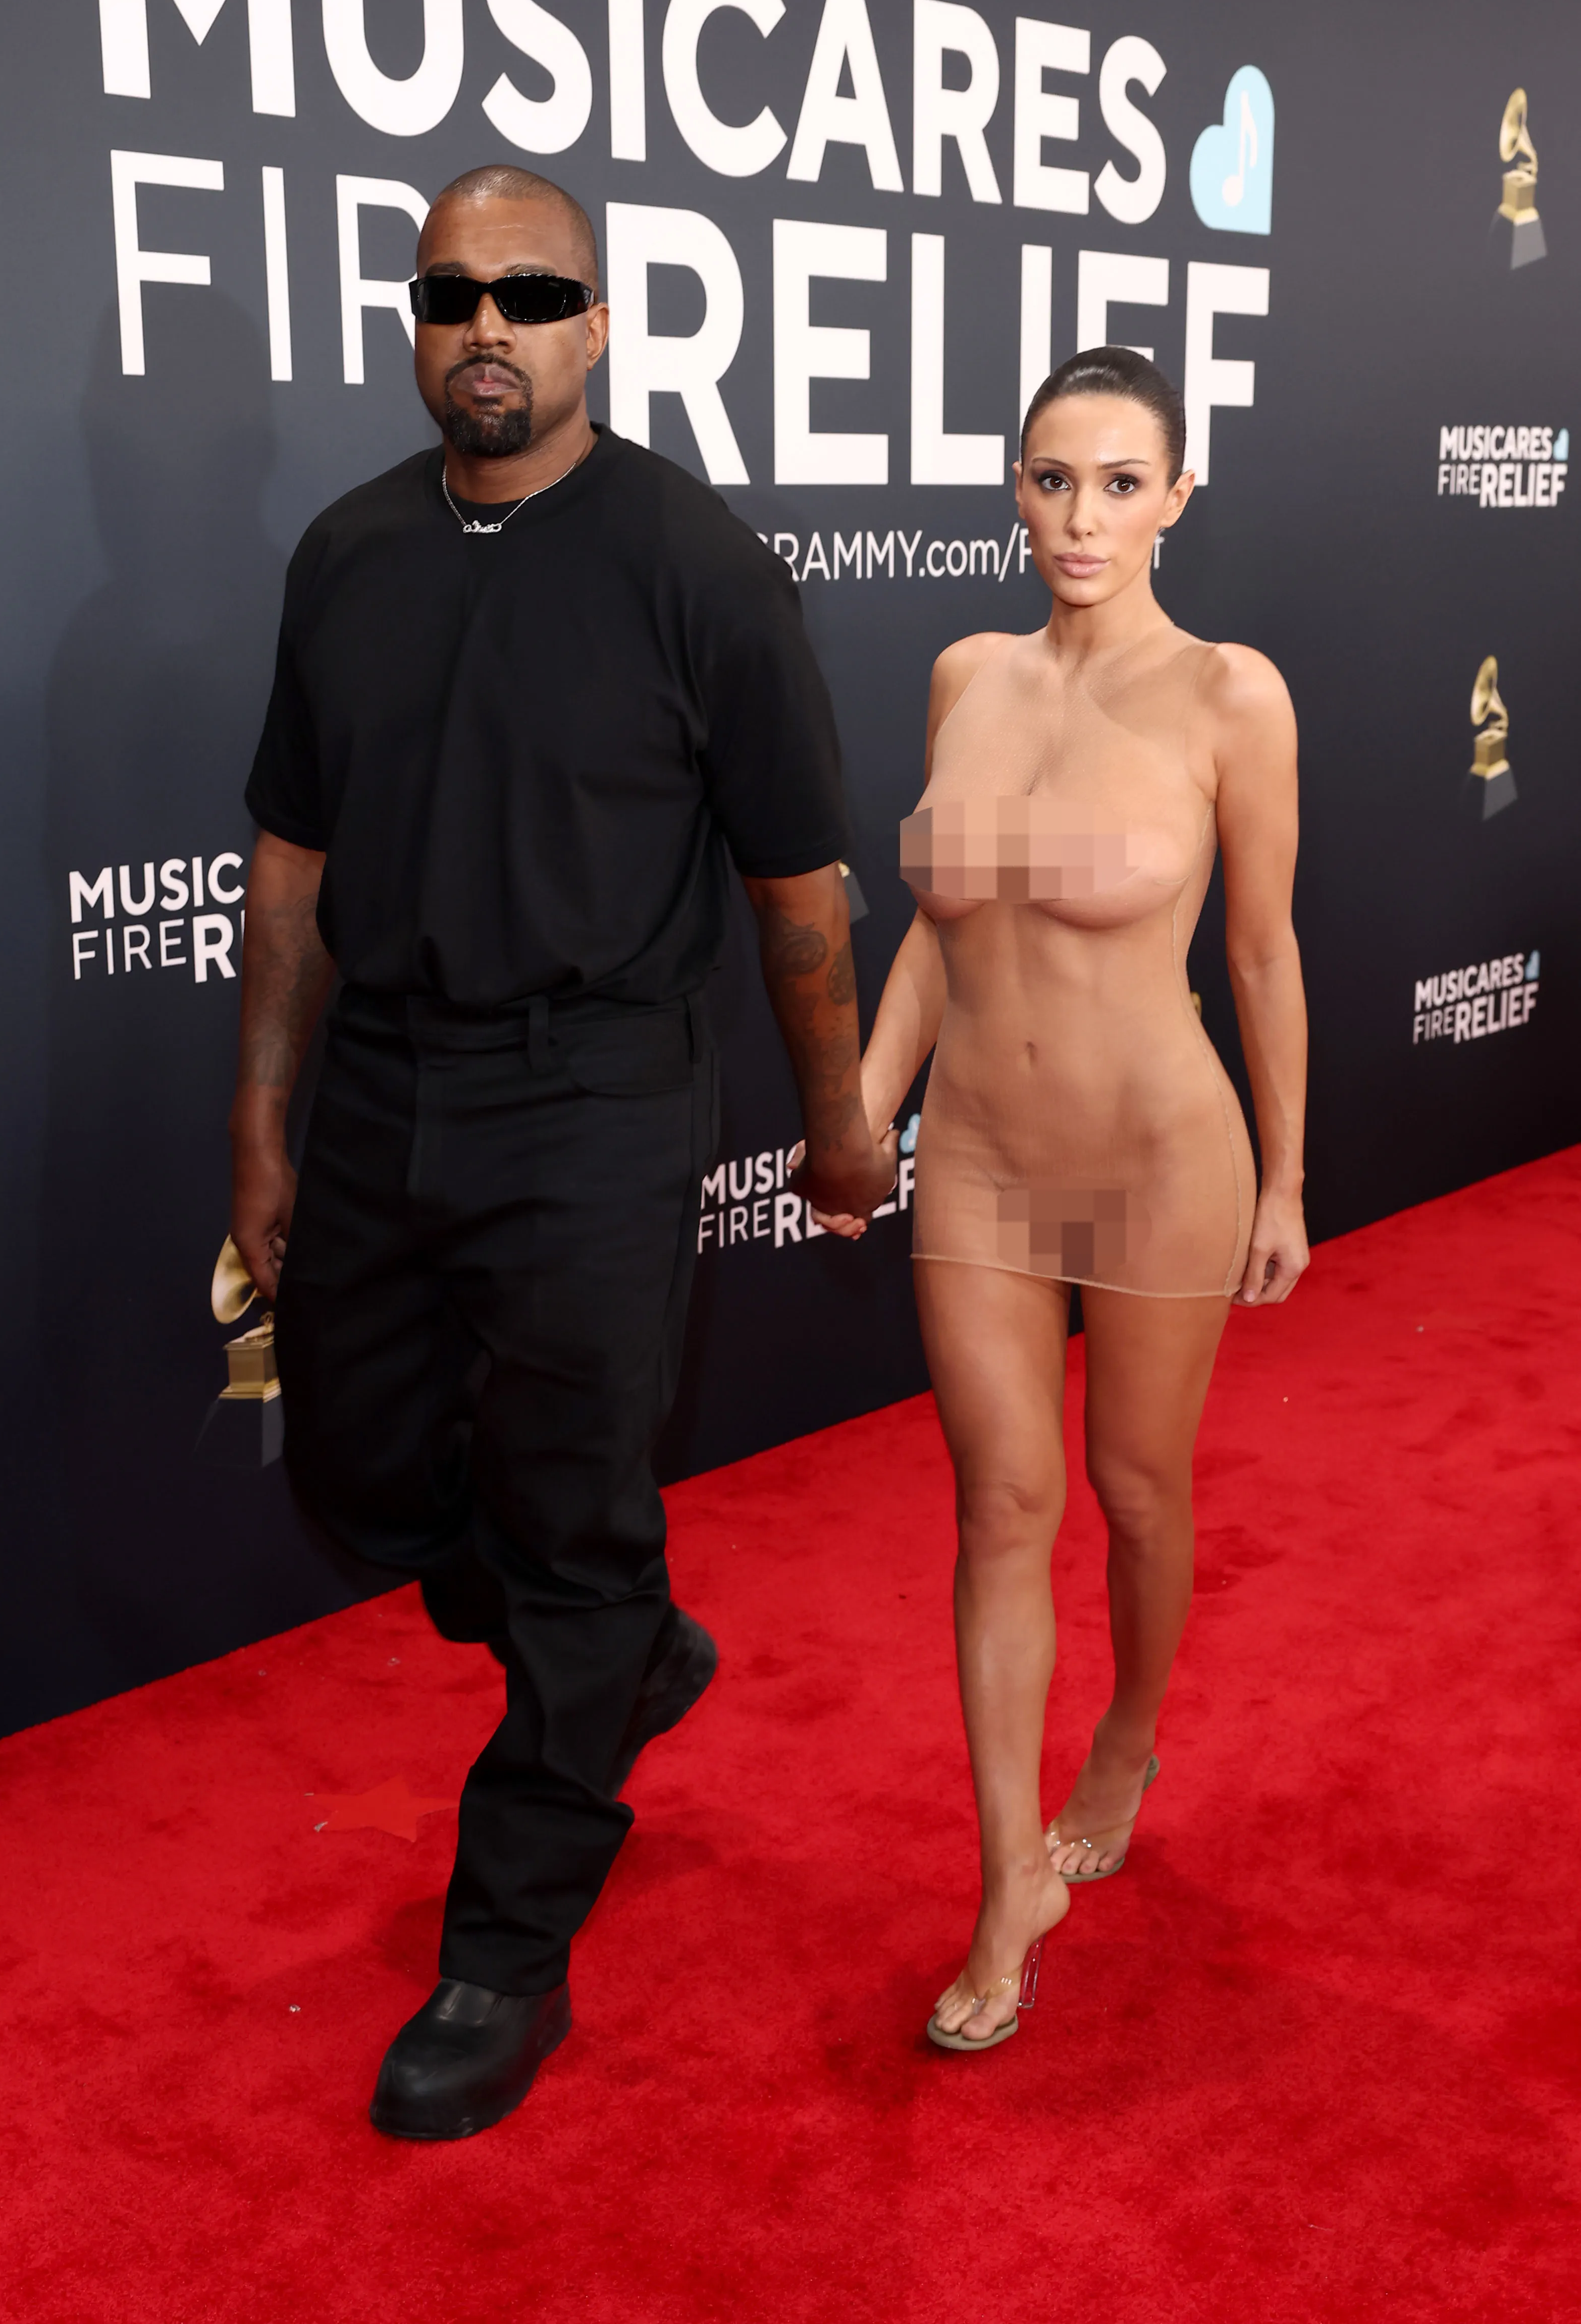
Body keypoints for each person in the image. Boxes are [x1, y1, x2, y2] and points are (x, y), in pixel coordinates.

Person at [229, 164, 897, 2137]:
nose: (488, 328)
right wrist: (259, 1116)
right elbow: (287, 868)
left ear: (597, 321)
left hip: (596, 1092)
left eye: (531, 293)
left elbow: (798, 886)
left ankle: (507, 1944)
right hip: (381, 1085)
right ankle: (614, 1646)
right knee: (358, 1462)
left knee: (578, 1502)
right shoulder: (345, 553)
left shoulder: (691, 558)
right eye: (452, 296)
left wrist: (841, 1121)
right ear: (416, 325)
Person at [815, 347, 1307, 2049]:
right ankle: (1005, 1879)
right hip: (980, 1163)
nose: (1078, 515)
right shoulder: (966, 675)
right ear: (1012, 491)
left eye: (1116, 482)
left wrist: (1290, 1177)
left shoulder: (1232, 697)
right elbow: (934, 950)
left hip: (1163, 1155)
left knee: (1135, 1489)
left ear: (1176, 496)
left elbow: (1259, 950)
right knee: (1002, 1505)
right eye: (1048, 479)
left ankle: (1127, 1736)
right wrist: (864, 1111)